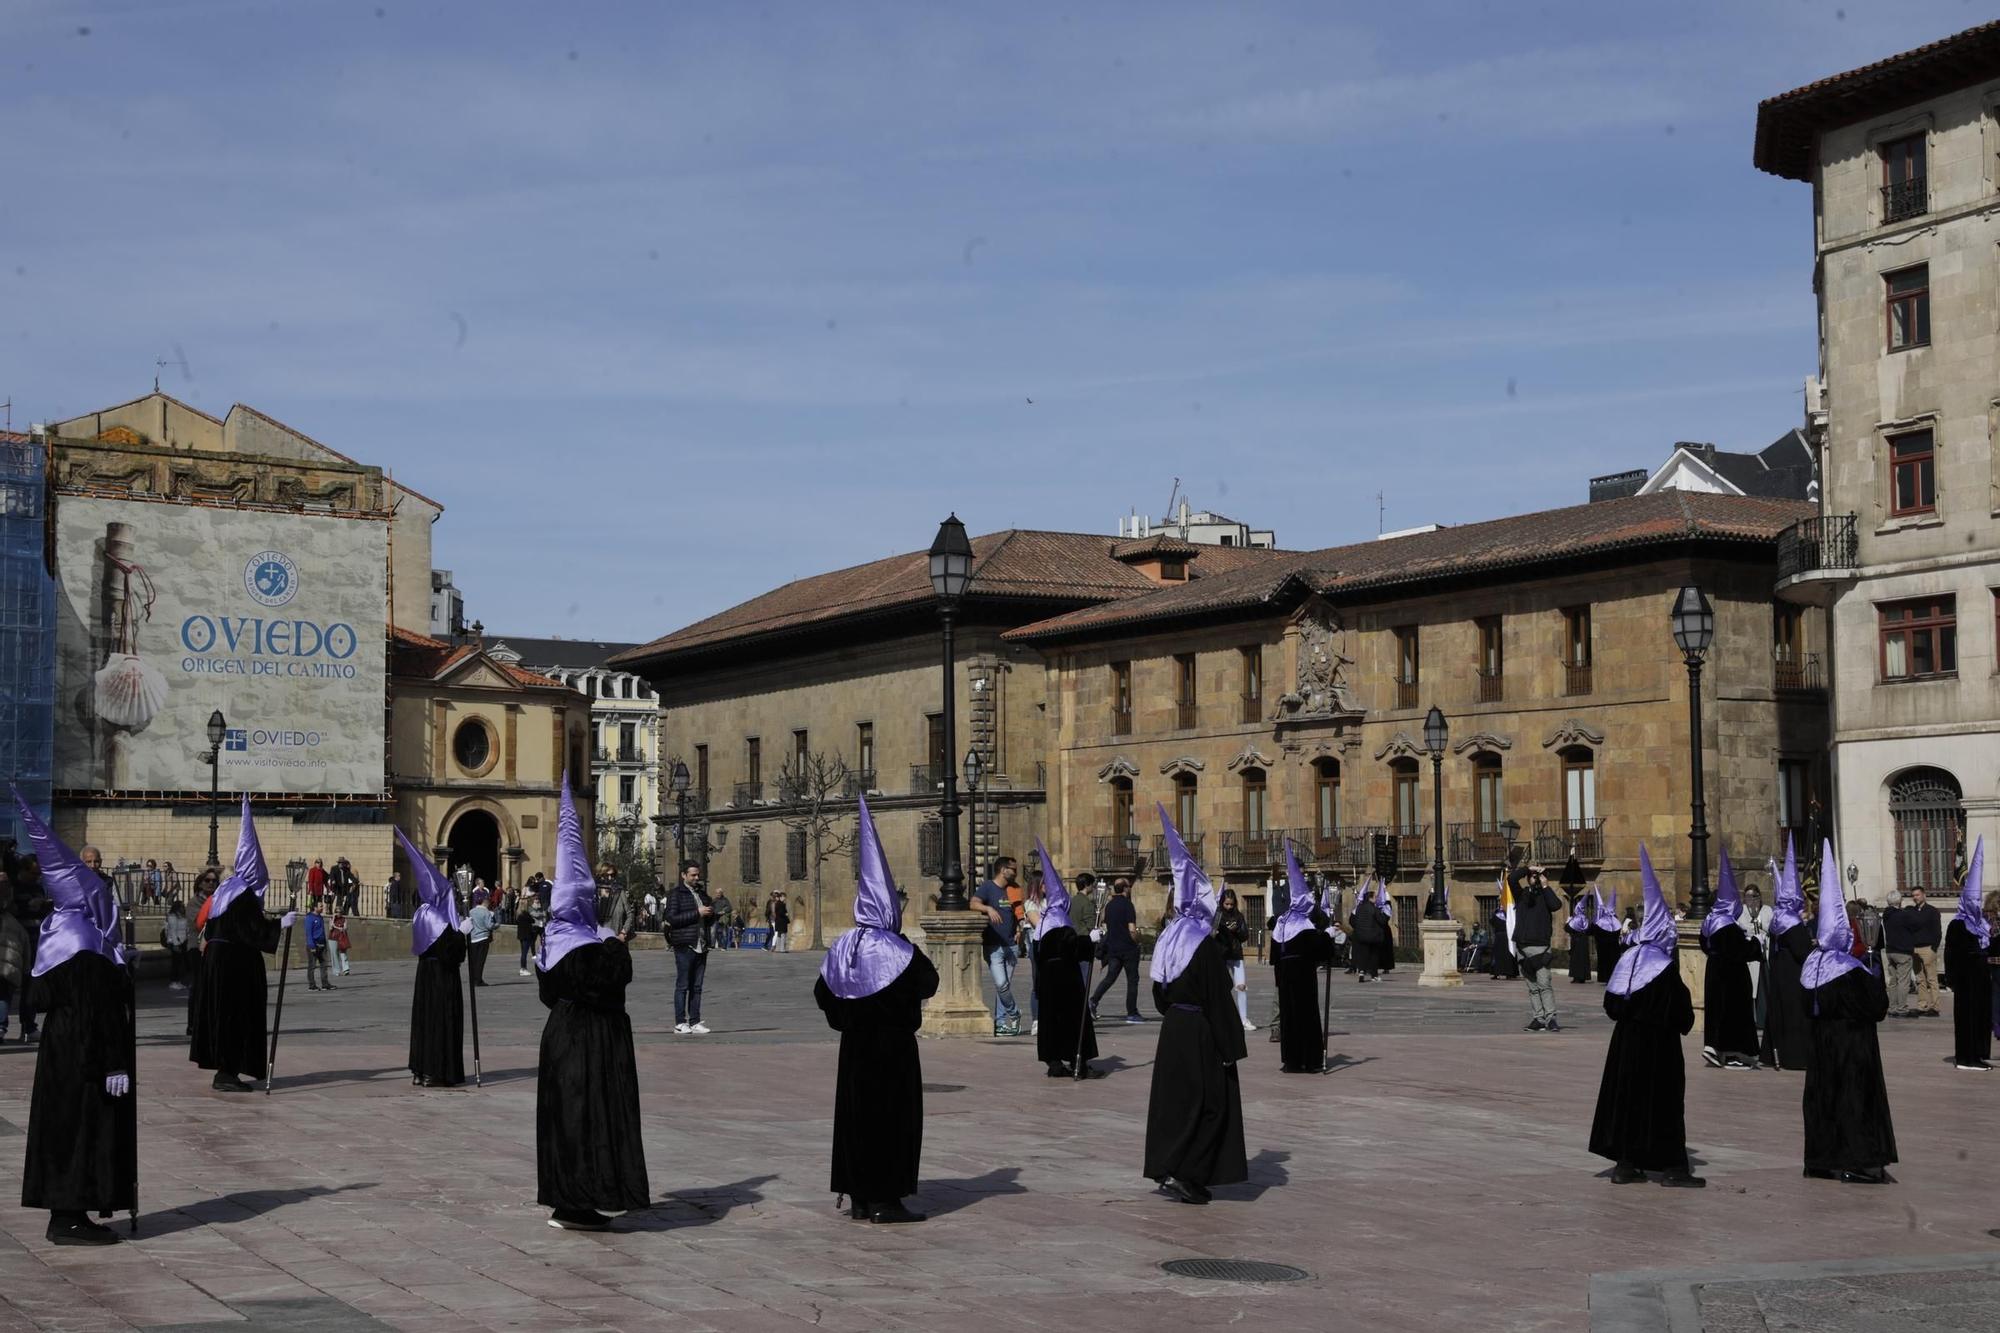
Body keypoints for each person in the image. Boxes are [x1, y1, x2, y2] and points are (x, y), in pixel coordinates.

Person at [10, 791, 137, 1245]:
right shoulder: (84, 941)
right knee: (81, 1126)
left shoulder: (56, 931)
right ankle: (71, 1215)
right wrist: (114, 1061)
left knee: (61, 1126)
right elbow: (95, 1009)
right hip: (85, 1054)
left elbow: (42, 993)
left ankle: (66, 1211)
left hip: (59, 1049)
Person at [815, 796, 939, 1223]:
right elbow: (930, 982)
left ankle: (860, 1197)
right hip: (894, 1053)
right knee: (892, 1120)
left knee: (855, 1119)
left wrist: (846, 1020)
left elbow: (823, 991)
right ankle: (887, 1199)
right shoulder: (898, 949)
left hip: (854, 1050)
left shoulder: (843, 945)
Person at [536, 778, 649, 1230]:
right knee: (589, 1117)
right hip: (591, 1041)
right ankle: (582, 1200)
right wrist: (616, 943)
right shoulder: (590, 945)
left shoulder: (552, 941)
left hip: (561, 1035)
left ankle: (567, 1199)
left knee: (564, 1119)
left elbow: (549, 993)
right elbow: (614, 979)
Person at [1144, 806, 1247, 1206]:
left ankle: (1170, 1166)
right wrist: (1230, 1048)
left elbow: (1157, 993)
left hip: (1173, 1031)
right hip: (1201, 1033)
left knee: (1174, 1105)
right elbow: (1219, 998)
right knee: (1210, 1105)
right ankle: (1187, 1173)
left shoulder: (1169, 938)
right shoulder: (1201, 945)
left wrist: (1174, 1012)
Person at [1590, 845, 1703, 1188]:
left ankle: (1627, 1164)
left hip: (1624, 1046)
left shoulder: (1629, 961)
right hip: (1659, 1049)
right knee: (1664, 1104)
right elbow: (1682, 1016)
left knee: (1627, 1101)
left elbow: (1611, 1005)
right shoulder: (1663, 967)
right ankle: (1673, 1168)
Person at [1800, 840, 1896, 1184]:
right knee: (1854, 1100)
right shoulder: (1849, 969)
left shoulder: (1812, 967)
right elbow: (1877, 1008)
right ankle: (1860, 1161)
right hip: (1853, 1047)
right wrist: (1872, 972)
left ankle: (1821, 1159)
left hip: (1822, 1046)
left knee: (1822, 1099)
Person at [189, 798, 295, 1093]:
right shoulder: (244, 895)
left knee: (222, 1015)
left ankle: (226, 1068)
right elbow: (251, 930)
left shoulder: (225, 891)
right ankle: (227, 1071)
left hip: (219, 961)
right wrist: (279, 925)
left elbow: (224, 927)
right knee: (235, 1016)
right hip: (235, 967)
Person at [397, 829, 465, 1088]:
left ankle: (420, 1068)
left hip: (425, 975)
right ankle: (438, 1070)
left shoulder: (421, 913)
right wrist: (462, 935)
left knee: (424, 1022)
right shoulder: (438, 918)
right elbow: (450, 952)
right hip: (442, 980)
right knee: (440, 1023)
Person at [1029, 842, 1101, 1078]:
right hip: (1066, 980)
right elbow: (1067, 946)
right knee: (1071, 1018)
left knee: (1051, 1019)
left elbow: (1044, 950)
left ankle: (1054, 1061)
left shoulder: (1046, 918)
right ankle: (1076, 1059)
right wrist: (1089, 940)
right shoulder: (1060, 919)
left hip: (1048, 979)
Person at [1270, 845, 1332, 1073]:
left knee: (1289, 1017)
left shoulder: (1282, 923)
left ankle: (1292, 1060)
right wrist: (1327, 937)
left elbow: (1274, 954)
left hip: (1285, 976)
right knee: (1307, 1016)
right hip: (1303, 976)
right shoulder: (1303, 925)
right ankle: (1311, 1060)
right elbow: (1319, 950)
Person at [1698, 848, 1759, 1068]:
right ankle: (1733, 1052)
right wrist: (1754, 944)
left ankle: (1715, 1047)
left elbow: (1704, 945)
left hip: (1714, 971)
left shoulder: (1710, 922)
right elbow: (1739, 951)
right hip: (1731, 977)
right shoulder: (1728, 927)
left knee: (1716, 1011)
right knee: (1732, 1013)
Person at [1760, 839, 1813, 1072]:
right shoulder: (1792, 922)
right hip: (1794, 974)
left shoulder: (1776, 920)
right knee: (1794, 1014)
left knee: (1778, 1012)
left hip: (1779, 971)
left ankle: (1773, 1055)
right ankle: (1794, 1056)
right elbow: (1803, 951)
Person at [1941, 838, 1991, 1072]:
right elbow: (1950, 955)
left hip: (1981, 980)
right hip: (1965, 982)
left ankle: (1979, 1054)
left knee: (1981, 1017)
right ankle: (1965, 1057)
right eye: (1972, 900)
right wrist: (1952, 980)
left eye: (1978, 900)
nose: (1976, 904)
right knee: (1967, 1020)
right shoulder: (1958, 925)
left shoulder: (1981, 924)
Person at [970, 856, 1023, 1035]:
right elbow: (973, 903)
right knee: (1001, 984)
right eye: (1013, 869)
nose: (1016, 873)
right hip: (993, 946)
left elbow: (1017, 911)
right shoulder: (988, 887)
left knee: (1005, 986)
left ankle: (1001, 1024)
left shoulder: (1014, 889)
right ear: (1003, 870)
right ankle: (1015, 1014)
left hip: (1011, 946)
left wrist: (1018, 929)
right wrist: (988, 909)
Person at [664, 860, 715, 1035]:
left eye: (697, 874)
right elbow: (671, 918)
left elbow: (707, 917)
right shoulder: (675, 894)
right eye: (693, 875)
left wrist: (712, 913)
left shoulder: (701, 893)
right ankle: (680, 1022)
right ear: (684, 875)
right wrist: (697, 913)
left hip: (701, 944)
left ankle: (694, 1021)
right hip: (685, 945)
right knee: (683, 985)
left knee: (697, 986)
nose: (696, 878)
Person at [1511, 864, 1563, 1032]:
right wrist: (1528, 868)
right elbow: (1511, 879)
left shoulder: (1546, 895)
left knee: (1544, 985)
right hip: (1522, 947)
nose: (1534, 878)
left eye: (1537, 876)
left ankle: (1551, 1018)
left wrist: (1545, 884)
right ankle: (1538, 1018)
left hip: (1540, 948)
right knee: (1532, 987)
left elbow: (1556, 905)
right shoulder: (1521, 895)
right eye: (1532, 876)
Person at [1089, 877, 1143, 1023]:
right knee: (1132, 980)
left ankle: (1093, 1001)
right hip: (1128, 949)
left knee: (1110, 978)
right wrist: (1138, 940)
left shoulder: (1109, 906)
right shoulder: (1128, 905)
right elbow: (1132, 929)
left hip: (1113, 949)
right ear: (1125, 888)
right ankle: (1132, 1013)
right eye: (1129, 886)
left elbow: (1103, 923)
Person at [1215, 887, 1254, 1031]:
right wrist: (1223, 929)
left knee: (1241, 987)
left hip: (1236, 954)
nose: (1229, 907)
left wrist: (1237, 929)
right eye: (1227, 904)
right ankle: (1222, 1019)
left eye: (1231, 904)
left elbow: (1245, 936)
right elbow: (1212, 934)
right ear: (1222, 903)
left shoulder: (1239, 916)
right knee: (1222, 987)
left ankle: (1243, 1019)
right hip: (1222, 955)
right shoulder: (1217, 915)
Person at [1905, 885, 1942, 1018]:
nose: (1915, 897)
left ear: (1924, 895)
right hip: (1915, 949)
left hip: (1928, 948)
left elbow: (1937, 931)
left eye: (1918, 895)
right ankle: (1922, 1005)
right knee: (1920, 979)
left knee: (1932, 978)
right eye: (1913, 895)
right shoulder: (1910, 912)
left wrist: (1933, 949)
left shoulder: (1932, 911)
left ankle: (1935, 1006)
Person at [1350, 882, 1388, 983]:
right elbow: (1382, 921)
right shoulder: (1374, 908)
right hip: (1373, 936)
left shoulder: (1359, 908)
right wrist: (1386, 914)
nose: (1376, 899)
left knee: (1363, 954)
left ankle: (1361, 971)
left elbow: (1353, 921)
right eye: (1375, 897)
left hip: (1361, 936)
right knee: (1373, 956)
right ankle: (1374, 975)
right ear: (1370, 898)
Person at [161, 898, 193, 991]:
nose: (184, 908)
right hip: (175, 942)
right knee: (176, 963)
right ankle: (174, 981)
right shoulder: (172, 917)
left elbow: (186, 929)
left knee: (183, 962)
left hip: (183, 941)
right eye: (182, 906)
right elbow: (172, 932)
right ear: (177, 908)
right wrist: (176, 944)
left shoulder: (182, 916)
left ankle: (180, 981)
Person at [466, 888, 495, 987]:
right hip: (483, 938)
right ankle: (478, 980)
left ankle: (472, 979)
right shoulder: (486, 912)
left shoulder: (471, 911)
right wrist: (496, 924)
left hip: (473, 938)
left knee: (473, 960)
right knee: (480, 960)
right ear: (484, 902)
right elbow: (489, 925)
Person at [303, 903, 333, 992]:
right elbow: (309, 933)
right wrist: (312, 946)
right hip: (314, 944)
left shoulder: (320, 917)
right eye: (320, 906)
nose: (322, 908)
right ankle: (312, 985)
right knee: (312, 966)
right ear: (315, 908)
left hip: (322, 944)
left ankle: (325, 984)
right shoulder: (309, 918)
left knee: (324, 965)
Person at [516, 895, 542, 976]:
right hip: (526, 935)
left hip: (521, 935)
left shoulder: (518, 914)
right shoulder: (526, 914)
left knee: (523, 953)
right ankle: (523, 969)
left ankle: (523, 968)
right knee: (524, 953)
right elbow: (532, 920)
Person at [330, 912, 352, 977]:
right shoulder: (332, 919)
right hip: (333, 938)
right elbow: (330, 928)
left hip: (342, 938)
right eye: (336, 912)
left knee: (343, 953)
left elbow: (346, 927)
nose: (338, 913)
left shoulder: (344, 919)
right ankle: (336, 971)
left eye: (339, 912)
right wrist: (333, 918)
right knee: (334, 955)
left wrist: (343, 928)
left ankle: (346, 969)